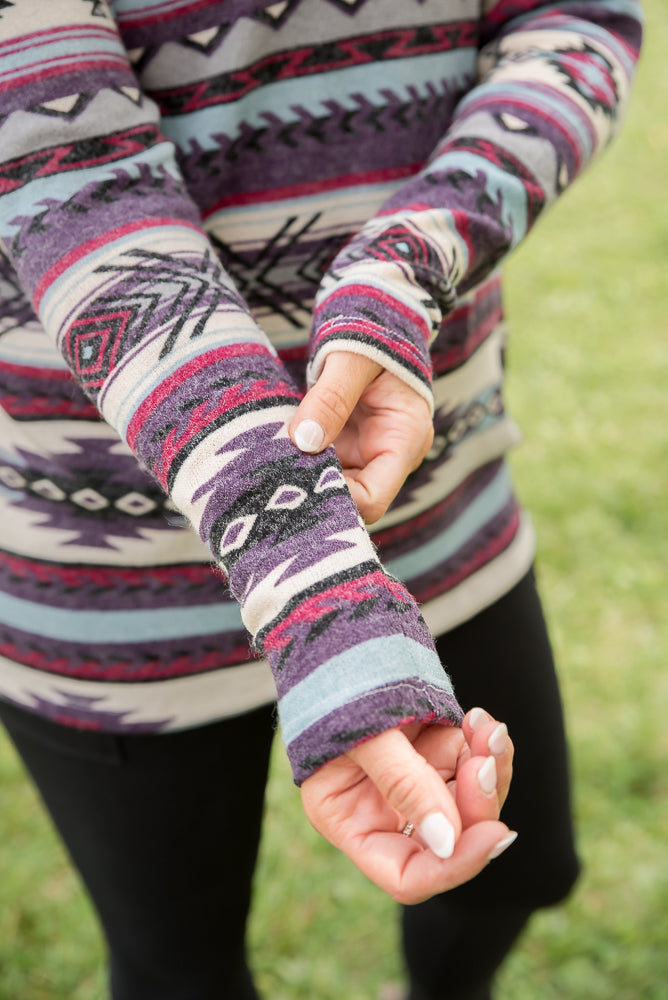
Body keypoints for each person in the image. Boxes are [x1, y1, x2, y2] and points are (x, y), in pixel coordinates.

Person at [0, 1, 641, 998]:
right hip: (105, 547)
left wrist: (409, 259)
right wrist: (319, 594)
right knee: (179, 968)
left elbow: (572, 21)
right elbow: (68, 180)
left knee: (514, 868)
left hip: (428, 501)